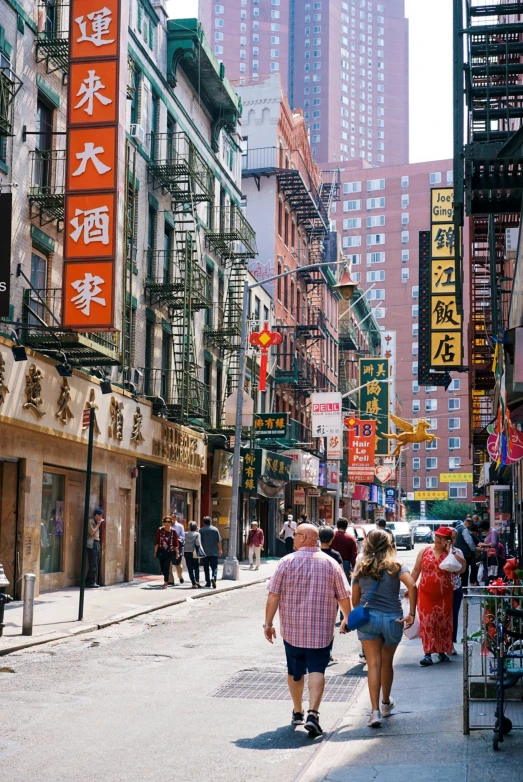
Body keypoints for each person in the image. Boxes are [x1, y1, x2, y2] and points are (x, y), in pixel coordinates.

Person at [264, 524, 352, 737]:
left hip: (292, 632)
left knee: (295, 672)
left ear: (303, 538)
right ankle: (313, 713)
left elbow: (273, 594)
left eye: (295, 535)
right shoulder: (331, 564)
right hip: (321, 632)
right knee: (317, 670)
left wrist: (268, 623)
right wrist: (348, 619)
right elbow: (343, 596)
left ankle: (297, 711)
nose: (292, 538)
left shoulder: (286, 562)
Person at [345, 529, 417, 728]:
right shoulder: (396, 566)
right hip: (393, 619)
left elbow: (355, 599)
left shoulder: (361, 567)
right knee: (387, 663)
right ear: (389, 544)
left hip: (369, 619)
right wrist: (411, 613)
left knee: (373, 664)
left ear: (367, 545)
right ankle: (386, 704)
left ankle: (374, 712)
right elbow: (412, 586)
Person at [411, 526, 459, 666]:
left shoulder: (452, 554)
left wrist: (450, 551)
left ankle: (442, 651)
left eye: (443, 538)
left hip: (445, 596)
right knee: (427, 622)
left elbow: (461, 568)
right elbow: (416, 570)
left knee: (442, 622)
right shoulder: (424, 551)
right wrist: (410, 585)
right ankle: (427, 653)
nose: (439, 540)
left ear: (448, 541)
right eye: (437, 536)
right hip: (425, 594)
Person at [450, 528, 467, 655]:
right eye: (449, 537)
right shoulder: (433, 552)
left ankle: (450, 643)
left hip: (454, 588)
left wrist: (450, 552)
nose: (451, 540)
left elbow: (462, 568)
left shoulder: (457, 551)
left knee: (453, 616)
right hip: (437, 590)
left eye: (454, 538)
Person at [154, 516, 179, 589]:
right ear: (163, 522)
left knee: (167, 565)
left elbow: (176, 543)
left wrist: (177, 553)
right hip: (161, 550)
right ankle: (165, 578)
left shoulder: (173, 531)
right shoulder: (160, 530)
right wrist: (155, 551)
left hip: (170, 551)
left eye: (169, 522)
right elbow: (156, 541)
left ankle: (166, 581)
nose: (167, 523)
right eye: (166, 522)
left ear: (171, 523)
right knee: (162, 566)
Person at [331, 519, 358, 583]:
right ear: (346, 527)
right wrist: (354, 567)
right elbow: (354, 554)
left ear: (337, 526)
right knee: (345, 584)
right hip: (346, 564)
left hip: (331, 562)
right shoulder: (351, 538)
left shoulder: (331, 536)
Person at [477, 519, 504, 584]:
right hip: (487, 554)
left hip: (492, 555)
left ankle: (491, 585)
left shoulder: (493, 532)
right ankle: (488, 586)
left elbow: (493, 543)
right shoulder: (489, 532)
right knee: (487, 570)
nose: (483, 531)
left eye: (483, 529)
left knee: (491, 571)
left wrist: (484, 545)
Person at [200, 515, 222, 589]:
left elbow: (200, 542)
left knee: (206, 568)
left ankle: (208, 583)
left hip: (204, 552)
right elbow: (218, 541)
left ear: (204, 522)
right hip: (214, 552)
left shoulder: (201, 530)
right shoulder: (215, 529)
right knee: (214, 567)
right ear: (211, 522)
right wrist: (220, 550)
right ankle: (214, 577)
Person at [454, 516, 477, 587]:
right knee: (464, 571)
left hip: (456, 553)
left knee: (458, 571)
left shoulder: (456, 528)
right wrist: (474, 549)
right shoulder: (464, 529)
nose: (469, 527)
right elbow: (469, 542)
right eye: (470, 525)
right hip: (465, 554)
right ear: (467, 523)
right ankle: (464, 588)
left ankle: (459, 586)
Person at [86, 508, 103, 588]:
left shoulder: (96, 522)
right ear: (96, 515)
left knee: (95, 564)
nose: (100, 518)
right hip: (92, 544)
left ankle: (90, 581)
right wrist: (98, 525)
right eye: (100, 516)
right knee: (93, 564)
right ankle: (90, 582)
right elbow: (92, 532)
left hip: (97, 543)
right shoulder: (90, 521)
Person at [184, 521, 204, 588]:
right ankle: (197, 581)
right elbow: (198, 543)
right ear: (196, 527)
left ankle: (193, 583)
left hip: (187, 551)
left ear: (189, 527)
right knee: (196, 567)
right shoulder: (197, 534)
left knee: (190, 568)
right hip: (194, 552)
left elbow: (183, 541)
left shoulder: (185, 533)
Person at [170, 513, 185, 585]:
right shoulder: (167, 526)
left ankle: (180, 576)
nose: (171, 520)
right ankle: (171, 580)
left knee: (178, 564)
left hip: (177, 548)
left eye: (172, 518)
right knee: (169, 564)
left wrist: (176, 540)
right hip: (169, 548)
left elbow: (183, 537)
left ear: (175, 518)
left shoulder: (180, 526)